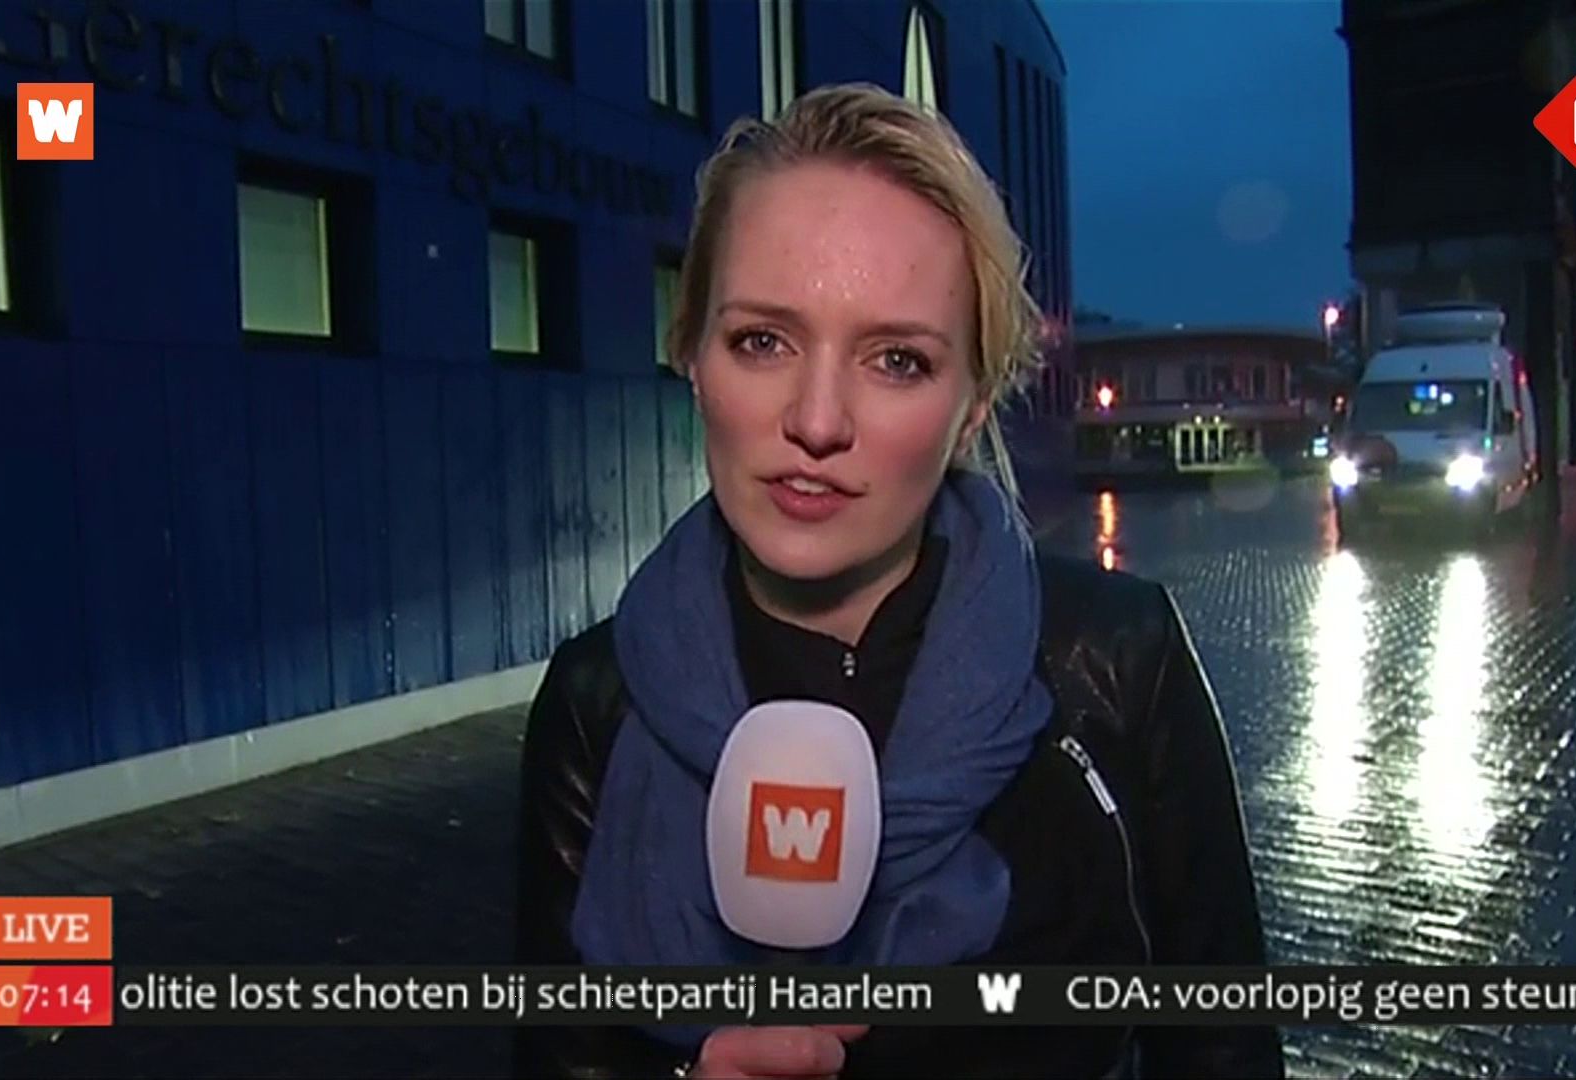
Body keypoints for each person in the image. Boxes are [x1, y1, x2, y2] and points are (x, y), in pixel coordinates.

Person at [513, 83, 1282, 1079]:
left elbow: (1223, 1048)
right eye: (762, 341)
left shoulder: (1114, 662)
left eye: (898, 361)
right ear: (691, 355)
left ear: (971, 408)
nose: (817, 420)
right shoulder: (597, 701)